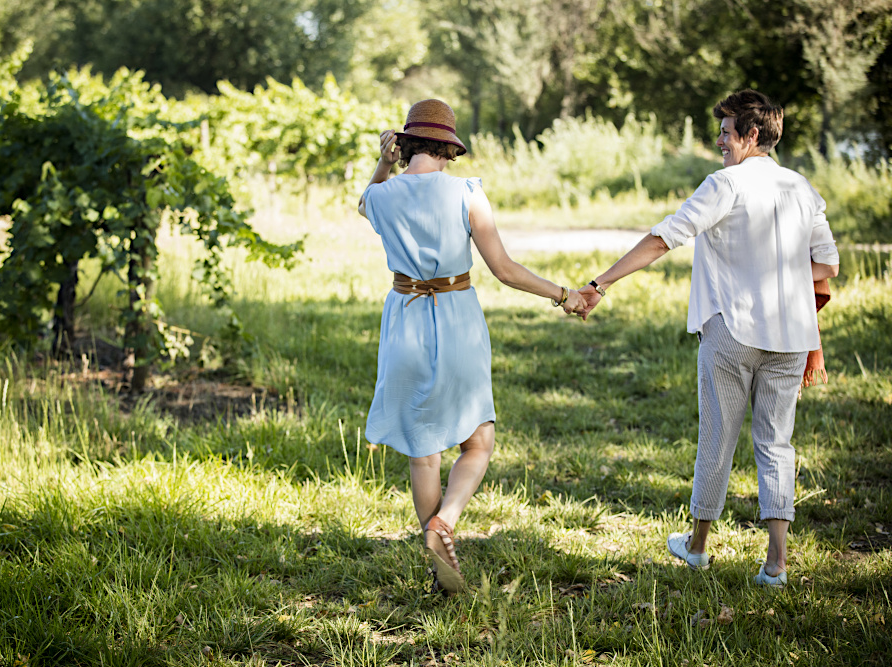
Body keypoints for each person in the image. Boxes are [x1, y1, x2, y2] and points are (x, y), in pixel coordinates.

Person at [576, 89, 839, 587]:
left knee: (717, 437)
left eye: (725, 130)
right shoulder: (802, 188)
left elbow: (665, 237)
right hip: (791, 336)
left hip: (733, 330)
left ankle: (697, 548)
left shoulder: (725, 183)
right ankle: (776, 565)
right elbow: (826, 265)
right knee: (776, 442)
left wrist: (599, 283)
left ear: (752, 134)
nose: (719, 139)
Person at [358, 99, 586, 594]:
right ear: (447, 145)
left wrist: (384, 164)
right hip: (457, 316)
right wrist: (564, 296)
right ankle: (447, 521)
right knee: (477, 440)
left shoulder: (384, 195)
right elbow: (504, 269)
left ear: (406, 141)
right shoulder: (466, 193)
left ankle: (434, 555)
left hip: (404, 319)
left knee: (423, 452)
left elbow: (365, 202)